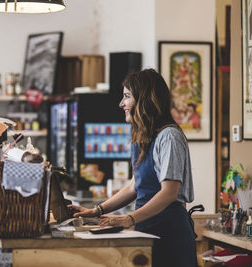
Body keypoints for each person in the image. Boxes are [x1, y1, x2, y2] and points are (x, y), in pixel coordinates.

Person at [68, 68, 196, 267]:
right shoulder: (142, 138)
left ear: (145, 99)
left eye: (127, 96)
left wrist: (129, 219)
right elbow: (134, 186)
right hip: (147, 230)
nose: (121, 104)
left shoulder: (169, 136)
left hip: (170, 233)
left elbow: (169, 192)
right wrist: (97, 211)